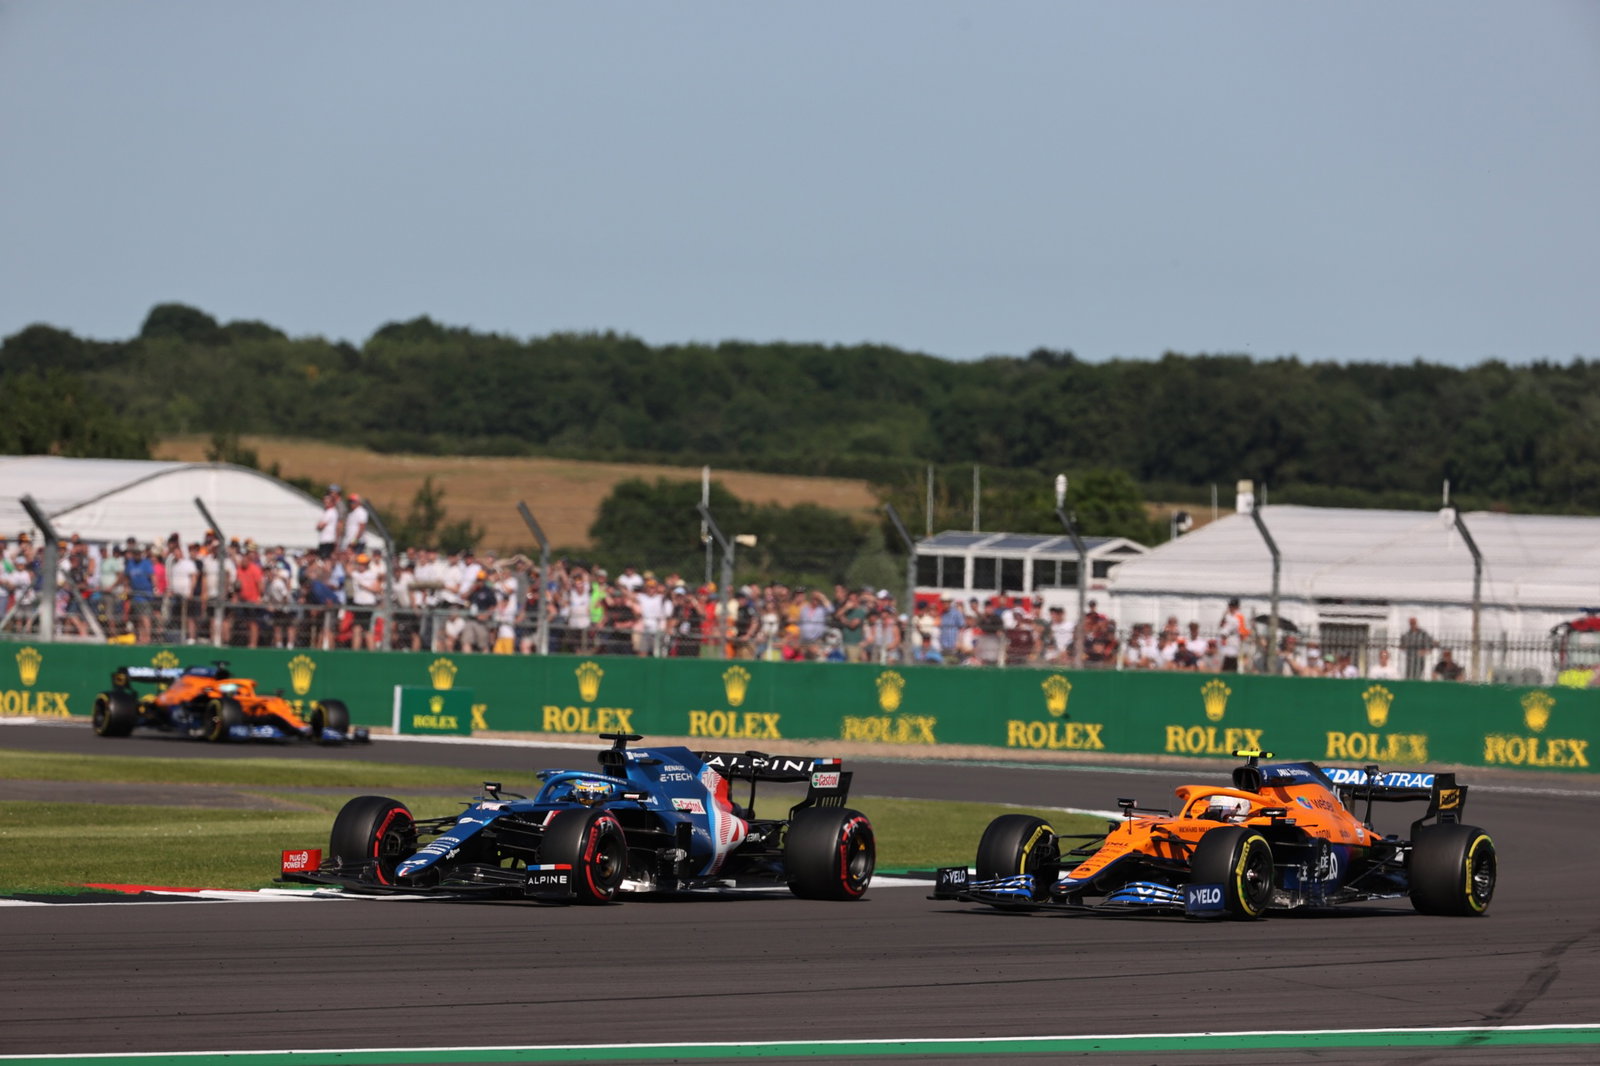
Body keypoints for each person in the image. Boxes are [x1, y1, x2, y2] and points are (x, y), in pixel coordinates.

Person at [1218, 598, 1250, 673]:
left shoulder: (1239, 616)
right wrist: (1224, 616)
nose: (1231, 608)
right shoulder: (1227, 615)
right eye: (1230, 606)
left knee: (1234, 661)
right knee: (1225, 661)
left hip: (1235, 640)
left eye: (1233, 606)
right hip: (1226, 641)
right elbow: (1221, 625)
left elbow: (1242, 630)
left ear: (1237, 607)